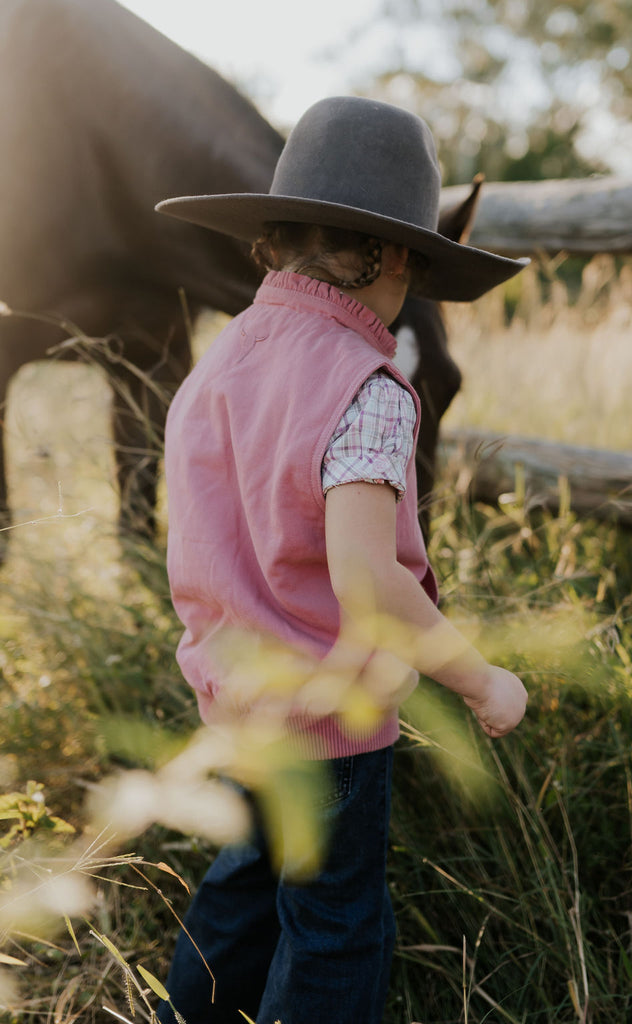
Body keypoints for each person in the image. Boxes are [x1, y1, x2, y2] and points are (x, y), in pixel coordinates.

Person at [154, 95, 529, 1024]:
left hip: (231, 698)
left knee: (244, 885)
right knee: (332, 922)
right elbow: (367, 581)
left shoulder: (219, 364)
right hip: (327, 722)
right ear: (398, 254)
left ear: (277, 239)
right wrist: (480, 681)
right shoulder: (367, 385)